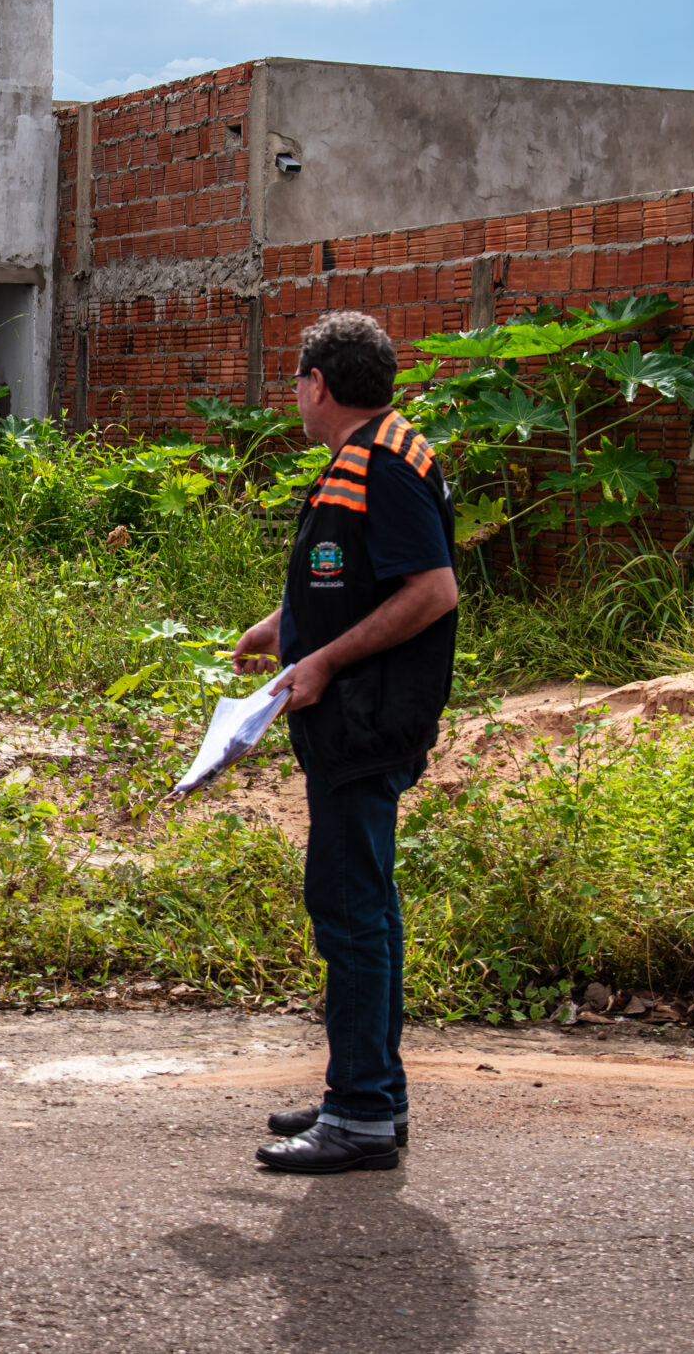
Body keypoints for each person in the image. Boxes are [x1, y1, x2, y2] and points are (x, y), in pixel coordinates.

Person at [231, 311, 459, 1173]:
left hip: (367, 718)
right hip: (354, 715)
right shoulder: (371, 456)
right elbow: (360, 582)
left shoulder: (386, 465)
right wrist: (286, 625)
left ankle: (361, 1110)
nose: (296, 394)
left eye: (296, 381)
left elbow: (431, 589)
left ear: (316, 383)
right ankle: (369, 1093)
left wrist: (321, 659)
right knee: (365, 903)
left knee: (350, 909)